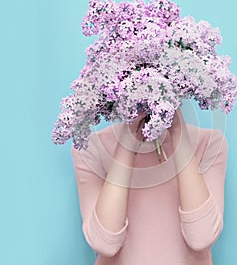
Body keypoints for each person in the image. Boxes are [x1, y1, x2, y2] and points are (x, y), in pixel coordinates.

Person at [71, 108, 228, 265]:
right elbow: (104, 244)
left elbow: (201, 238)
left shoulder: (209, 143)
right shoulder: (91, 148)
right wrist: (128, 141)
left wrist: (178, 133)